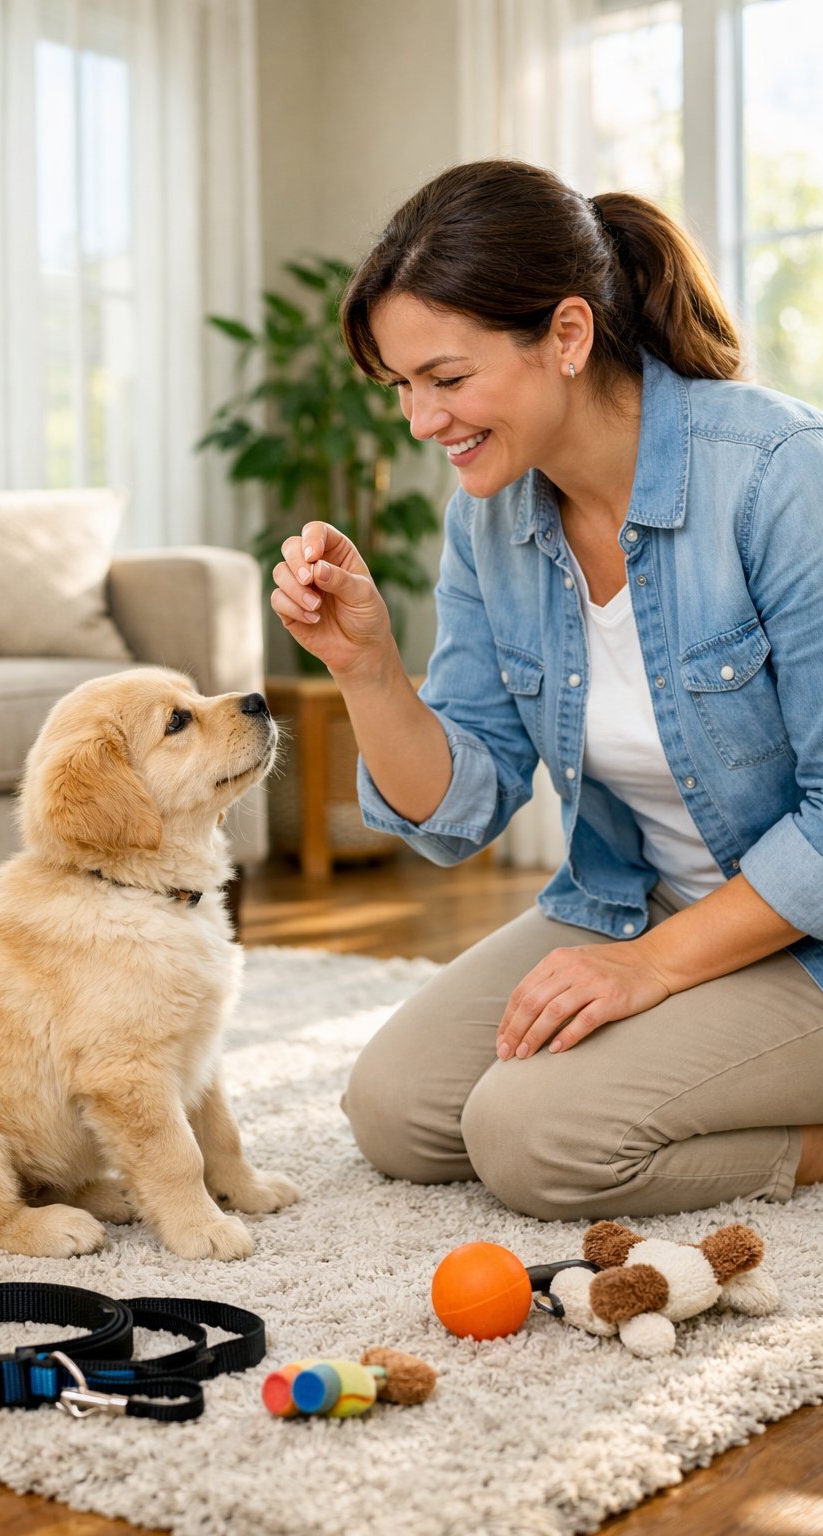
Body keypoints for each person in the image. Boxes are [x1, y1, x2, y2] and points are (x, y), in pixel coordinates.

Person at [269, 159, 823, 1222]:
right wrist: (366, 669)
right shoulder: (491, 517)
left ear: (566, 336)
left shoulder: (777, 476)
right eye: (401, 389)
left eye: (446, 378)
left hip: (804, 934)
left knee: (537, 1140)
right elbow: (463, 806)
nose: (420, 424)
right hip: (642, 896)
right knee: (395, 1113)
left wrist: (651, 972)